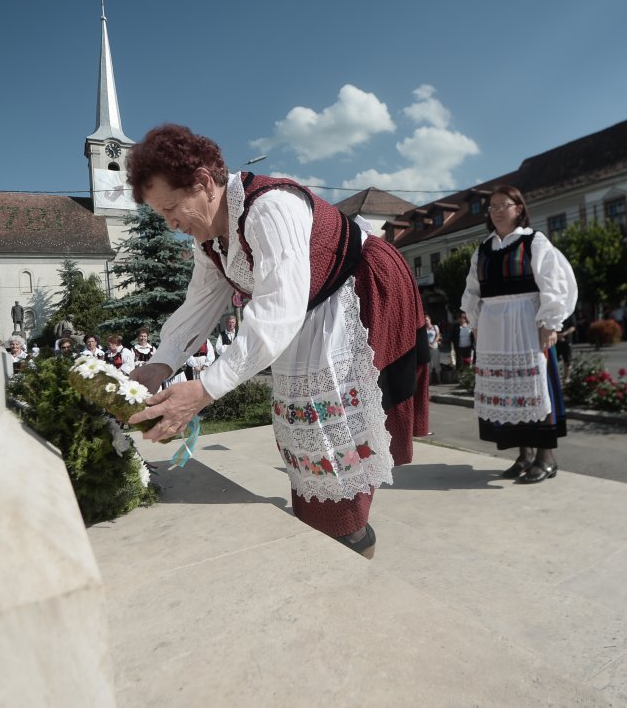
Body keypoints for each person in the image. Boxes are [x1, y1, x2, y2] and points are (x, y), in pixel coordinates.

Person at [124, 124, 429, 558]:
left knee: (332, 425)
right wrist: (160, 364)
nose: (171, 223)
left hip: (358, 291)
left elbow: (277, 310)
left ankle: (350, 538)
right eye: (163, 215)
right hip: (308, 309)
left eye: (173, 207)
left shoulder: (270, 207)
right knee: (301, 421)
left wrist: (206, 389)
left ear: (205, 183)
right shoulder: (210, 242)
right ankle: (329, 526)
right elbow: (200, 305)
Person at [460, 185, 578, 486]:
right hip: (494, 327)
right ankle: (525, 454)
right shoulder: (483, 249)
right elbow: (473, 290)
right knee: (510, 392)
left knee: (538, 389)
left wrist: (550, 324)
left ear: (519, 208)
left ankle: (546, 457)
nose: (498, 210)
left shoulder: (534, 242)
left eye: (504, 204)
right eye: (493, 206)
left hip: (527, 323)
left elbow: (553, 283)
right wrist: (473, 321)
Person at [424, 314, 441, 384]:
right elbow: (423, 338)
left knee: (437, 364)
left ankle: (440, 380)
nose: (426, 322)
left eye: (427, 320)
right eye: (425, 320)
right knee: (429, 365)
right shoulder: (423, 329)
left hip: (435, 347)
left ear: (430, 320)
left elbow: (438, 335)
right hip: (427, 348)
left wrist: (433, 342)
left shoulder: (435, 327)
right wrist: (428, 344)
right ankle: (429, 381)